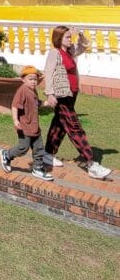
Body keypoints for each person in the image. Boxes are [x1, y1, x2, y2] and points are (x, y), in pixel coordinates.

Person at [43, 25, 111, 180]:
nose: (70, 39)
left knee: (59, 125)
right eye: (67, 37)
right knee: (75, 127)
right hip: (61, 96)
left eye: (70, 36)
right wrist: (50, 93)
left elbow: (86, 45)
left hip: (71, 94)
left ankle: (47, 154)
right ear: (59, 38)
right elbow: (48, 71)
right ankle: (91, 163)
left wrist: (80, 33)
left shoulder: (70, 51)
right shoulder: (55, 53)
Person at [0, 66, 53, 181]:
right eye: (30, 79)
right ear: (23, 79)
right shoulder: (22, 90)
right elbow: (14, 106)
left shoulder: (33, 90)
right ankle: (6, 154)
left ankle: (37, 168)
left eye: (35, 79)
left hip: (34, 126)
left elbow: (36, 103)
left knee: (39, 148)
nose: (33, 81)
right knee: (23, 148)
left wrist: (47, 103)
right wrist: (15, 120)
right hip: (24, 126)